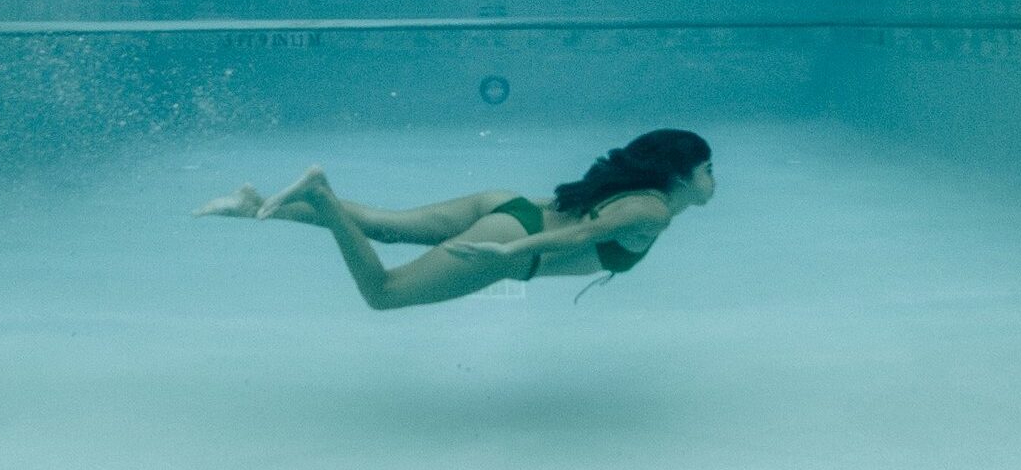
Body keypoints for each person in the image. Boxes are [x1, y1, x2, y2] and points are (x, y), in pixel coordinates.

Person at [195, 129, 714, 310]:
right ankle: (323, 196)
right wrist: (509, 253)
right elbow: (584, 233)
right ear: (682, 175)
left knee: (381, 223)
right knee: (384, 294)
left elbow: (579, 219)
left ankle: (253, 204)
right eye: (708, 169)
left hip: (508, 207)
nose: (714, 178)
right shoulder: (655, 209)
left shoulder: (637, 192)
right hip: (515, 240)